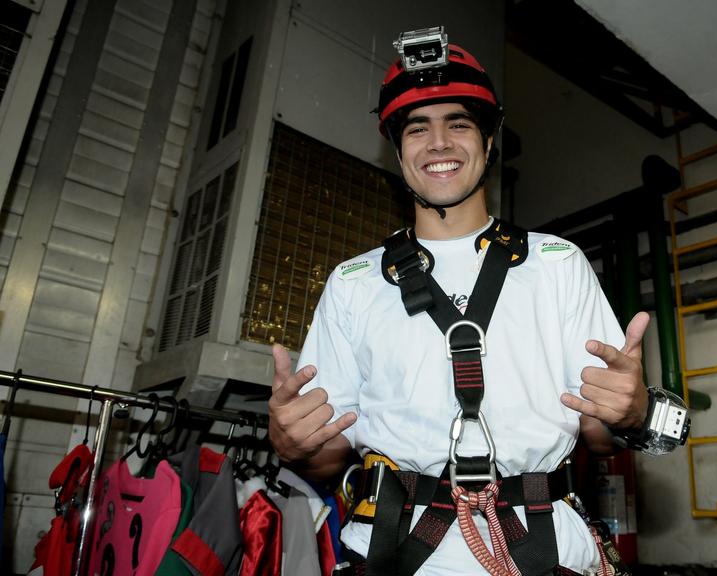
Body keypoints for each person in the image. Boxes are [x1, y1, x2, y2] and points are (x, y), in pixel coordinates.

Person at [268, 30, 652, 576]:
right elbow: (330, 452)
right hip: (390, 556)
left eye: (459, 124)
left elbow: (599, 430)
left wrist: (631, 413)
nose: (439, 143)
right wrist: (291, 443)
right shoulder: (354, 283)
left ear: (488, 143)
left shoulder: (557, 264)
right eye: (418, 128)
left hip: (546, 556)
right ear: (398, 151)